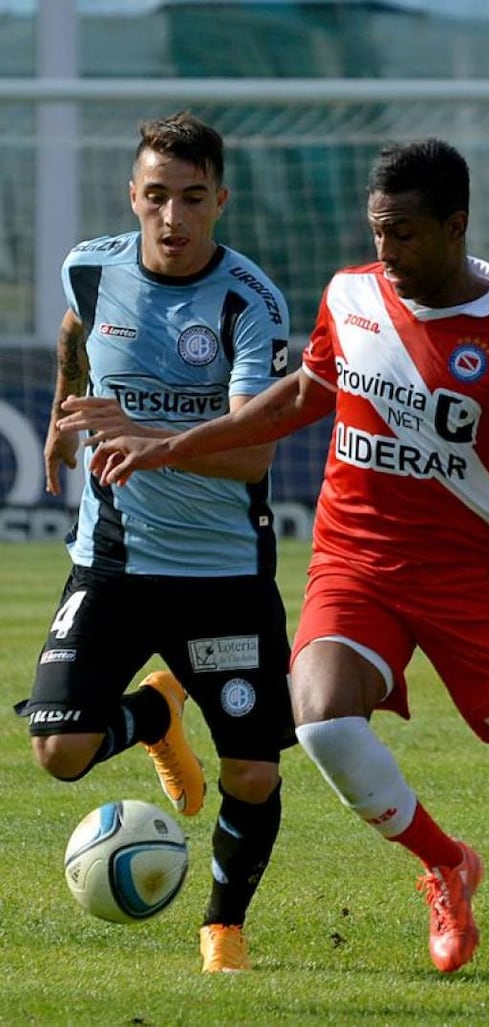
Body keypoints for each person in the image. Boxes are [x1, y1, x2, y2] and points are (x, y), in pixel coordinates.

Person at [86, 138, 489, 1004]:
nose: (385, 253)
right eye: (376, 232)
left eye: (401, 234)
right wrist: (169, 447)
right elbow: (296, 398)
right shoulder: (350, 295)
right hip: (354, 562)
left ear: (454, 227)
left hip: (472, 585)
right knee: (320, 720)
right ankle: (444, 863)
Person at [15, 111, 295, 974]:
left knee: (250, 771)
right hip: (114, 562)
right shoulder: (90, 267)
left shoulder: (249, 301)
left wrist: (140, 426)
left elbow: (253, 449)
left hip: (222, 575)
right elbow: (73, 329)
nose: (173, 219)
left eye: (193, 199)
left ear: (221, 201)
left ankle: (223, 927)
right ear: (132, 197)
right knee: (59, 753)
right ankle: (152, 715)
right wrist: (68, 414)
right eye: (157, 198)